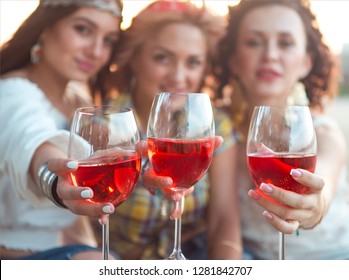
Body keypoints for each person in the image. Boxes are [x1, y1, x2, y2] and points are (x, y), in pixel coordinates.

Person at [99, 0, 241, 260]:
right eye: (162, 57)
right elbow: (87, 225)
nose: (179, 74)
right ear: (134, 58)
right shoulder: (102, 125)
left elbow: (224, 219)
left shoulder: (215, 124)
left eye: (193, 62)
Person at [214, 0, 349, 259]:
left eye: (285, 43)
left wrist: (313, 207)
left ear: (306, 63)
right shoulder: (220, 131)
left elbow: (324, 188)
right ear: (233, 60)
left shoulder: (323, 133)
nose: (270, 55)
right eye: (254, 42)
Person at [0, 0, 124, 259]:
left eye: (108, 40)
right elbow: (32, 141)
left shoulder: (76, 100)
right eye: (83, 29)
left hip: (62, 247)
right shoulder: (12, 93)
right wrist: (56, 179)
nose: (96, 51)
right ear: (44, 28)